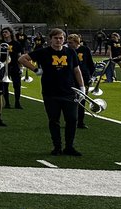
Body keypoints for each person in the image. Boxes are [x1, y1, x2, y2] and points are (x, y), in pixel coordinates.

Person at [20, 28, 85, 157]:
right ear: (51, 39)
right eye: (55, 38)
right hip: (51, 92)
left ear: (64, 39)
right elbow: (22, 59)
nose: (58, 40)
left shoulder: (70, 52)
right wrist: (35, 69)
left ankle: (69, 146)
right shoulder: (43, 52)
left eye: (61, 38)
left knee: (72, 119)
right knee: (54, 120)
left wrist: (82, 87)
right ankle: (57, 147)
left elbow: (77, 70)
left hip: (69, 91)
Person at [68, 33, 96, 130]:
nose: (69, 44)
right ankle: (71, 121)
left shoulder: (85, 49)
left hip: (84, 78)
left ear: (76, 42)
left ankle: (80, 122)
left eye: (71, 42)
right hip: (70, 78)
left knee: (82, 100)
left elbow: (91, 64)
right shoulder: (67, 51)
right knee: (70, 100)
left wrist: (91, 77)